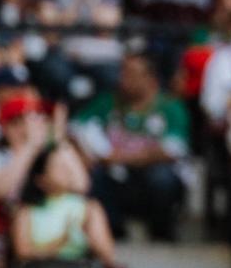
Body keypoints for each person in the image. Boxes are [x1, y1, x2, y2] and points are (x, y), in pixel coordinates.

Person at [71, 51, 190, 242]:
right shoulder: (108, 101)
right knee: (94, 175)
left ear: (151, 79)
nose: (123, 79)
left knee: (162, 178)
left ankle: (161, 232)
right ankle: (113, 232)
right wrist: (86, 155)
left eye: (131, 73)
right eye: (123, 72)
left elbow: (172, 149)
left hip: (149, 181)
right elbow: (76, 128)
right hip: (115, 179)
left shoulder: (170, 107)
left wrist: (120, 158)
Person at [10, 143, 121, 268]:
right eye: (57, 167)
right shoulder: (26, 211)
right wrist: (58, 244)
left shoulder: (89, 208)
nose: (66, 171)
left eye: (67, 166)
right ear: (41, 179)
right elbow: (23, 252)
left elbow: (107, 255)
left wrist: (92, 238)